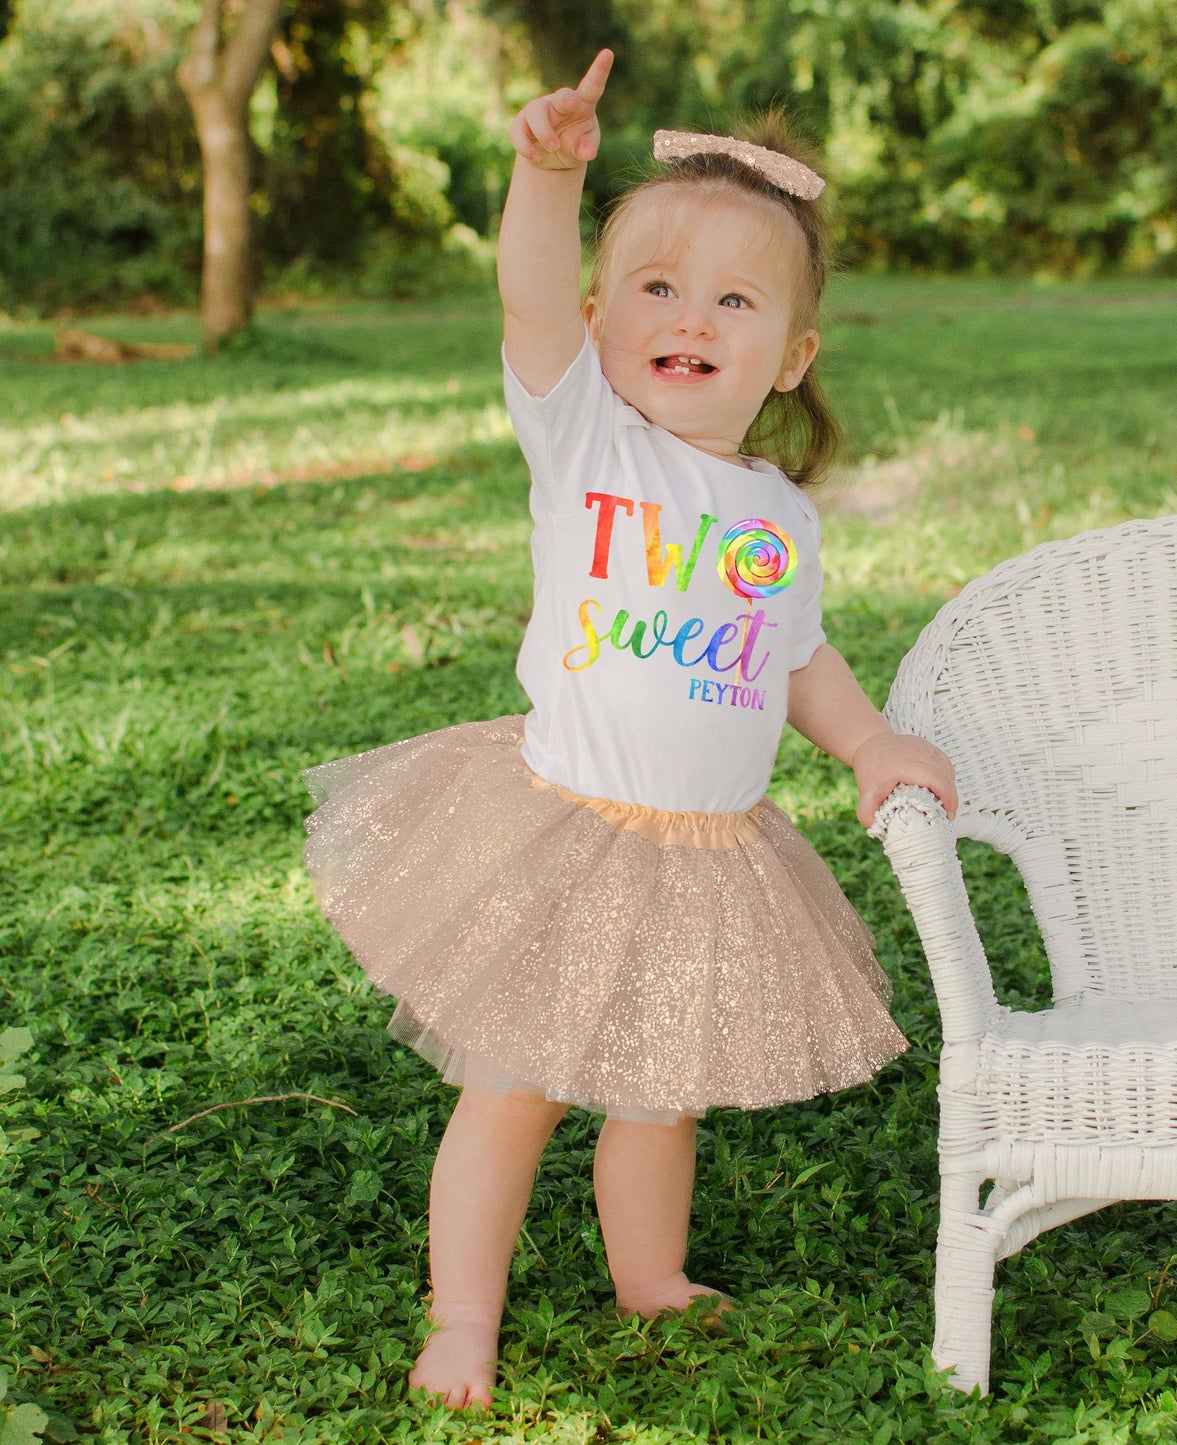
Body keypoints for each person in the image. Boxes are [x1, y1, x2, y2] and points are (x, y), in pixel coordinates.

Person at [299, 47, 958, 1414]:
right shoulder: (586, 436)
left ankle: (646, 1274)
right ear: (599, 317)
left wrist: (869, 743)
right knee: (517, 1085)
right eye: (655, 287)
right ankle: (463, 1315)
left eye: (734, 298)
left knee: (663, 1095)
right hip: (564, 830)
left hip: (708, 853)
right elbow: (524, 295)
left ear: (792, 355)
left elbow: (795, 657)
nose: (692, 317)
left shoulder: (779, 514)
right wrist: (548, 177)